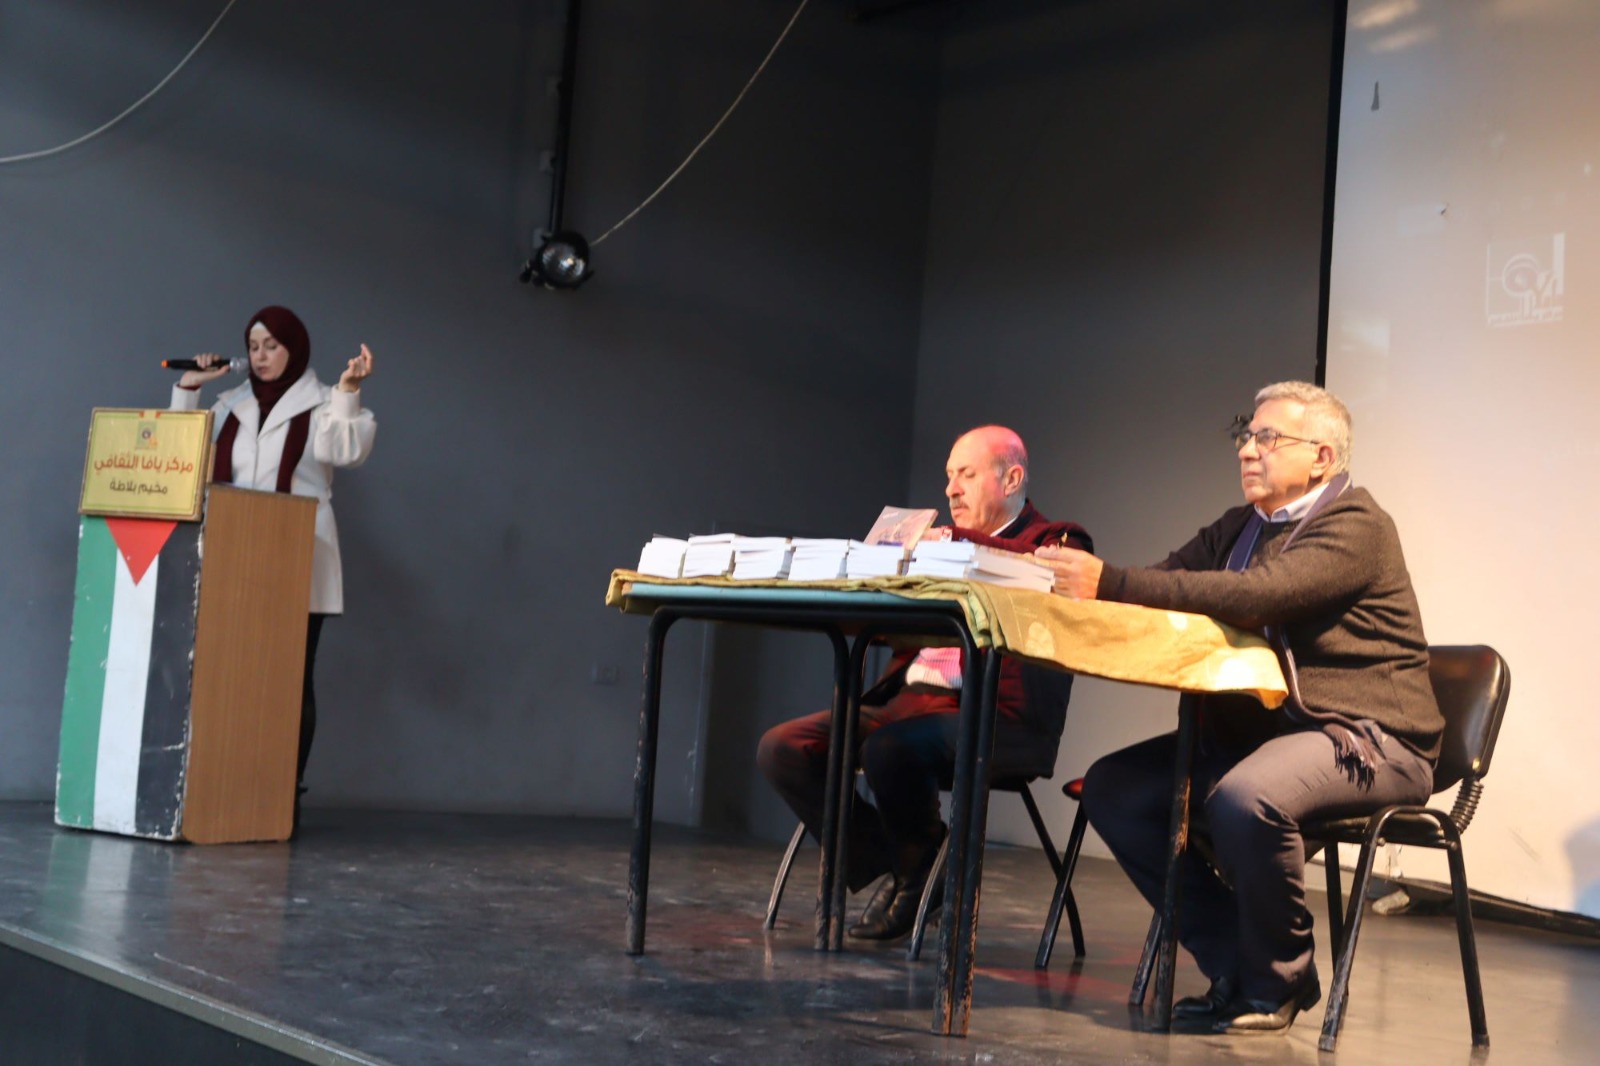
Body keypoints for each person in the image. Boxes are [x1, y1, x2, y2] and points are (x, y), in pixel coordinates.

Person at [1037, 381, 1441, 1035]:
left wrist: (1109, 579)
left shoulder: (1357, 524)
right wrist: (1058, 584)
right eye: (1246, 434)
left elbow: (1259, 596)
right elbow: (1168, 580)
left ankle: (1277, 978)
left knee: (1248, 796)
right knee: (1115, 788)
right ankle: (1237, 964)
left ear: (1322, 458)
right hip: (1275, 736)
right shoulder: (1241, 526)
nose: (1247, 450)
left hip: (1371, 741)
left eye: (1268, 437)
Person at [757, 425, 1092, 941]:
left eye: (966, 475)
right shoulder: (940, 546)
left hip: (996, 717)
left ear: (1011, 479)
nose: (951, 490)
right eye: (949, 476)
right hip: (909, 701)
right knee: (784, 747)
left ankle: (916, 876)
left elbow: (1036, 571)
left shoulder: (1058, 540)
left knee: (891, 749)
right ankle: (911, 862)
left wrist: (955, 544)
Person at [170, 306, 378, 826]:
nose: (261, 356)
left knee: (289, 678)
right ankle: (223, 784)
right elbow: (179, 462)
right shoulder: (229, 404)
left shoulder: (324, 403)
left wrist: (349, 390)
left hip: (297, 554)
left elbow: (344, 451)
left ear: (294, 348)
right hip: (232, 555)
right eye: (254, 346)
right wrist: (190, 390)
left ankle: (283, 794)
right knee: (225, 674)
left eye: (272, 346)